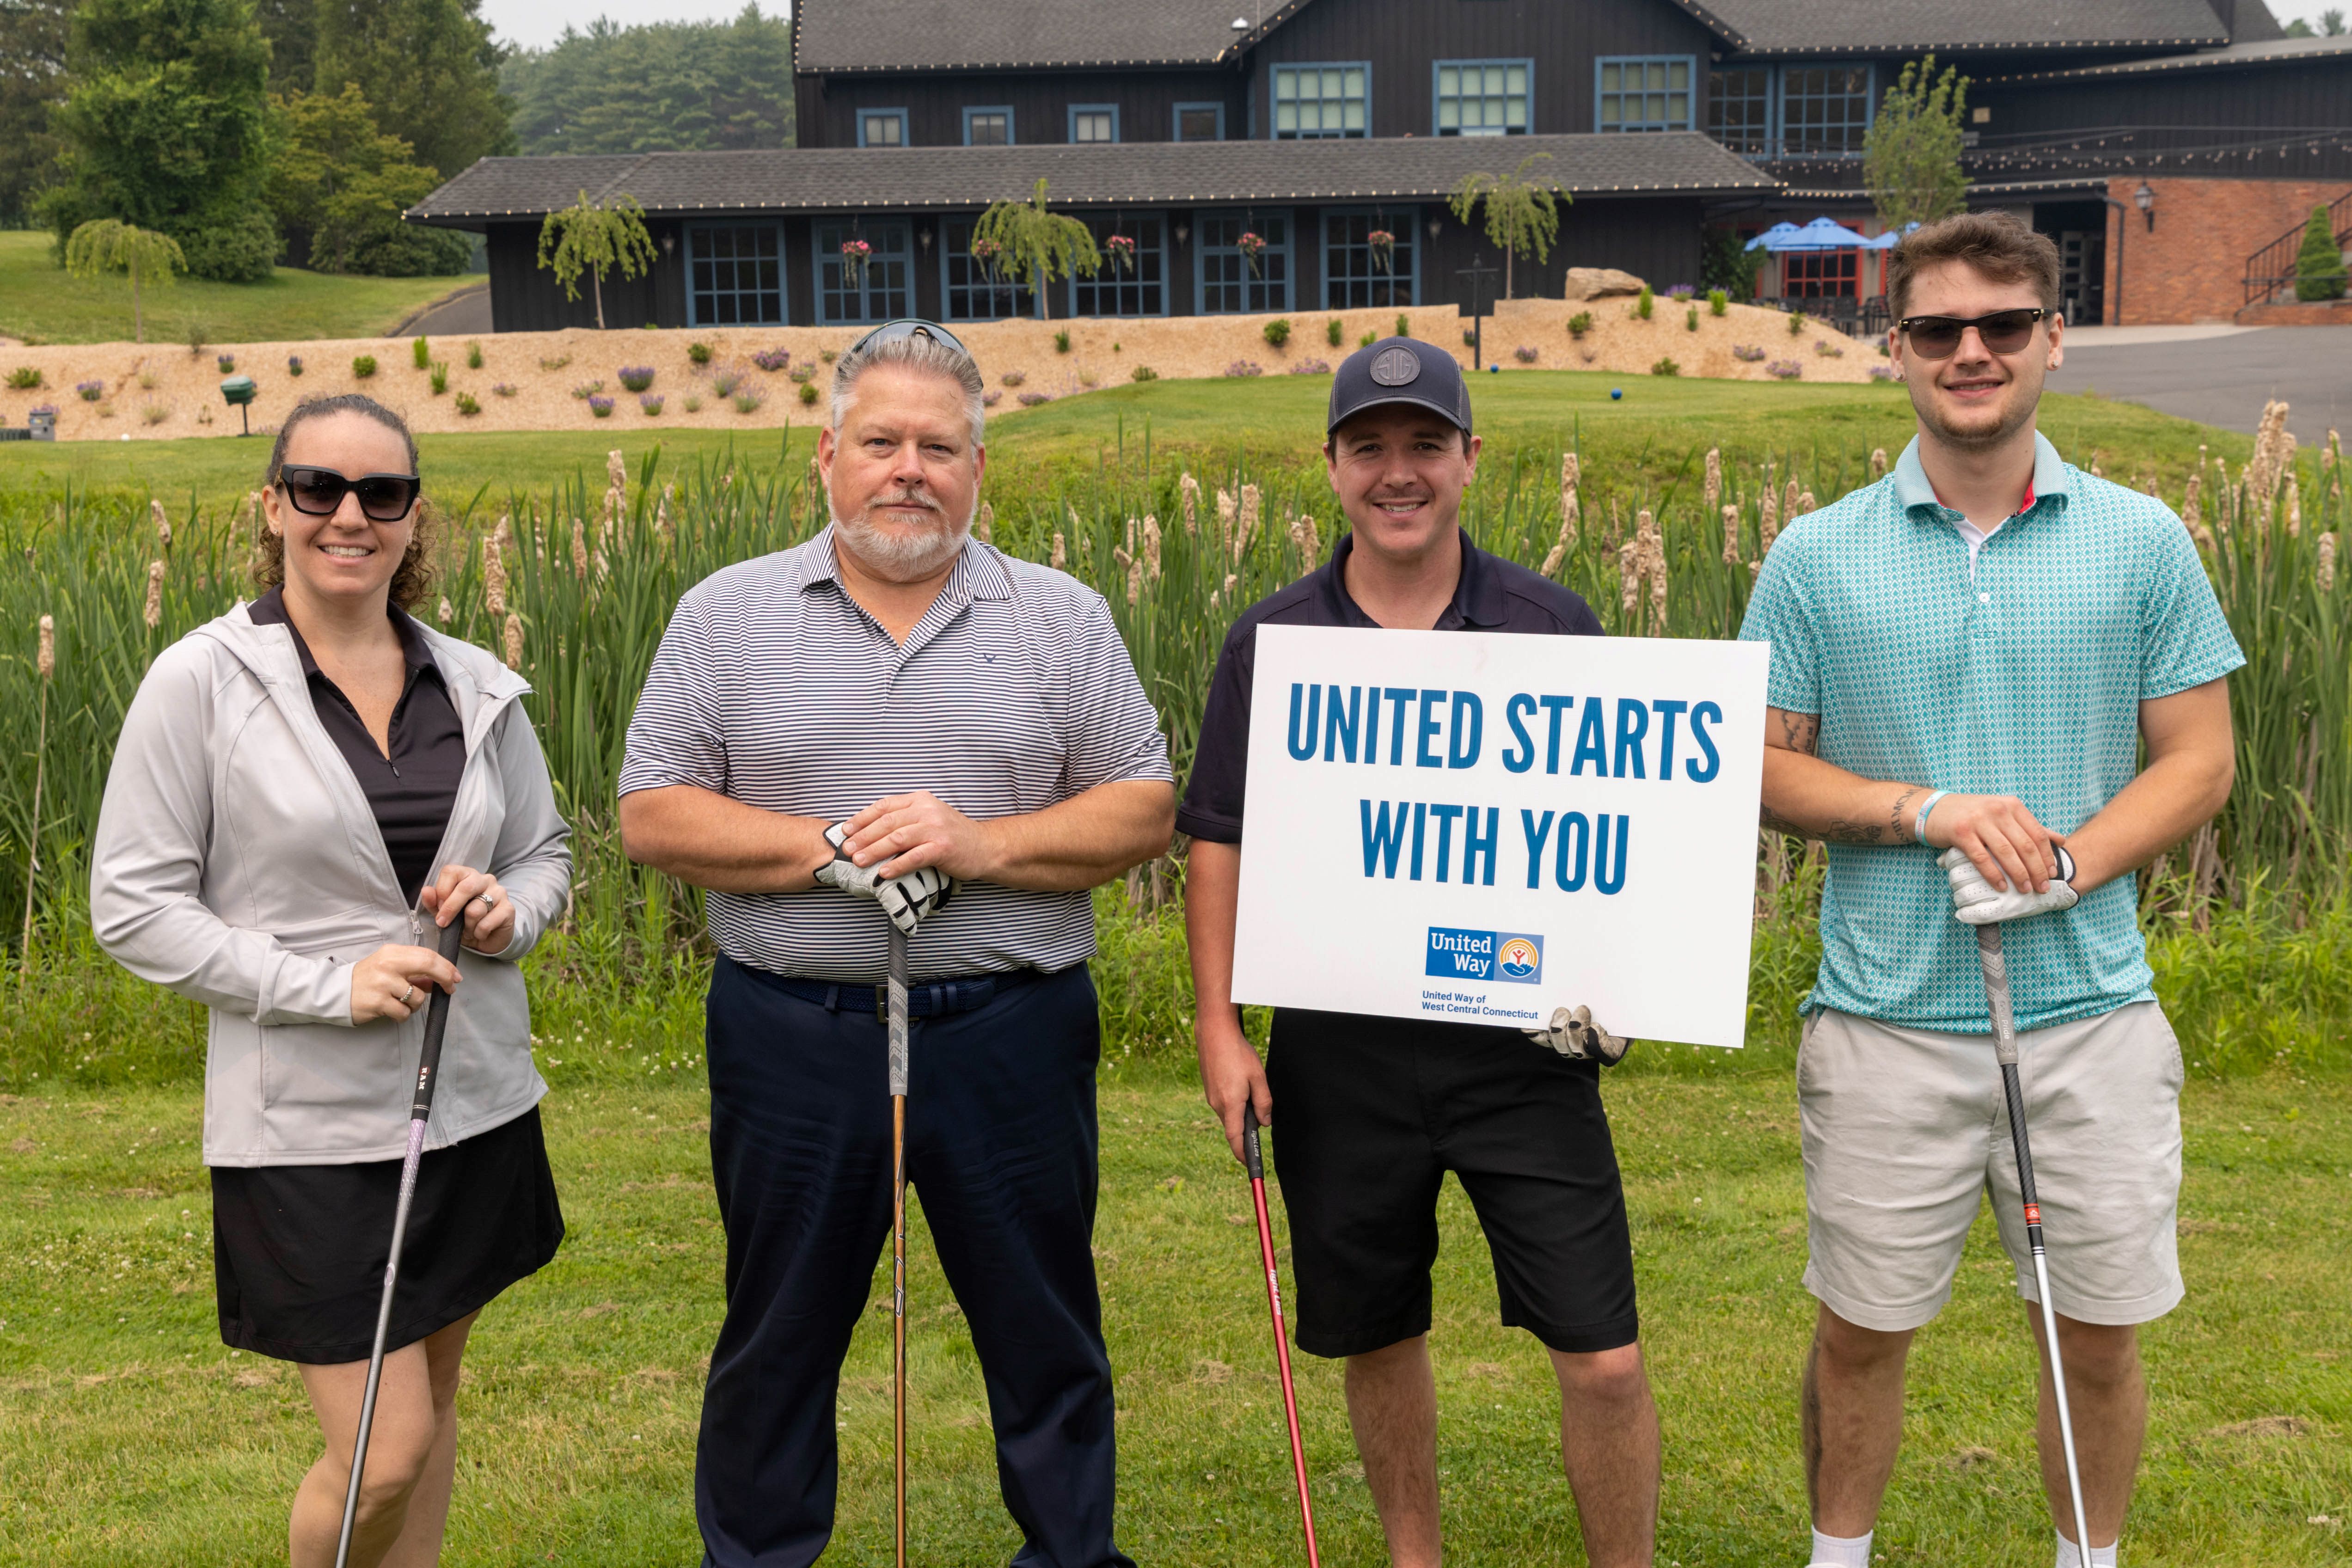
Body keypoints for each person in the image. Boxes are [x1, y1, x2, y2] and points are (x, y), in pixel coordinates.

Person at [617, 321, 1175, 1568]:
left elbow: (1143, 803)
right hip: (795, 1033)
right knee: (779, 1332)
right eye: (881, 442)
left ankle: (1070, 1557)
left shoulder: (1060, 618)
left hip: (1010, 1032)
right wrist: (832, 850)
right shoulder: (729, 615)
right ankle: (759, 1557)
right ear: (827, 457)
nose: (907, 469)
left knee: (1044, 1326)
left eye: (939, 445)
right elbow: (652, 811)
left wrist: (974, 845)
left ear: (979, 468)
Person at [1737, 212, 2243, 1568]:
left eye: (2004, 325)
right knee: (1860, 1328)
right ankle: (1837, 1558)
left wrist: (2070, 862)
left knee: (2094, 1332)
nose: (1974, 352)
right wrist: (1924, 812)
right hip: (1885, 1014)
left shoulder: (2141, 541)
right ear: (1893, 347)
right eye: (1940, 329)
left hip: (2089, 1013)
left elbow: (2199, 759)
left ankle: (2092, 1560)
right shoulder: (1815, 556)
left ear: (2052, 340)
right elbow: (1759, 773)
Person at [1182, 337, 1662, 1568]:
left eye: (1424, 446)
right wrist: (1220, 1028)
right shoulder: (1272, 642)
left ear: (1469, 459)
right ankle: (1414, 1557)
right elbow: (1220, 842)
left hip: (1524, 1051)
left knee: (1604, 1357)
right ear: (1333, 467)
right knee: (1376, 1330)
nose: (1399, 474)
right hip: (1340, 1052)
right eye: (1370, 449)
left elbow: (1612, 824)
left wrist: (1626, 981)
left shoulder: (1553, 626)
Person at [91, 393, 573, 1568]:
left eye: (383, 493)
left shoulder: (474, 685)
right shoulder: (200, 681)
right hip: (302, 1125)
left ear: (415, 520)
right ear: (275, 505)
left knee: (440, 1399)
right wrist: (327, 986)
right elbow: (133, 907)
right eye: (320, 488)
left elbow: (548, 854)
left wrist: (513, 912)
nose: (350, 515)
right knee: (383, 1447)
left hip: (471, 1102)